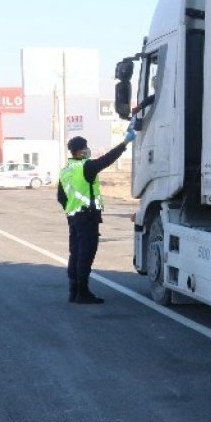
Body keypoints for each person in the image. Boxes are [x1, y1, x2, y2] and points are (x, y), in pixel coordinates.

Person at [56, 121, 136, 304]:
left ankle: (73, 291)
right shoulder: (86, 167)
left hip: (74, 218)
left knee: (75, 253)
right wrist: (125, 143)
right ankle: (82, 293)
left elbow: (61, 197)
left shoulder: (66, 170)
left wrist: (70, 211)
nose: (88, 150)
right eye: (86, 147)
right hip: (87, 217)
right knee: (86, 253)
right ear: (80, 151)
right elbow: (107, 159)